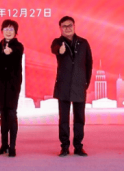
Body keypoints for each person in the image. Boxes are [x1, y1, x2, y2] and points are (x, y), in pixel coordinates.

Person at [51, 16, 92, 157]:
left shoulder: (83, 43)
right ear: (60, 28)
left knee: (79, 118)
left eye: (70, 25)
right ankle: (64, 147)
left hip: (79, 85)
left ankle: (78, 146)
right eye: (64, 26)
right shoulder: (57, 42)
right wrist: (60, 50)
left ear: (74, 26)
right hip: (63, 85)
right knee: (64, 119)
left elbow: (89, 64)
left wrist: (85, 82)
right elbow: (54, 49)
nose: (67, 28)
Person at [0, 20, 24, 157]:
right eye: (6, 29)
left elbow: (17, 53)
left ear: (16, 32)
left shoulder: (18, 46)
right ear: (2, 31)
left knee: (11, 114)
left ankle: (12, 146)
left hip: (13, 86)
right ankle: (4, 145)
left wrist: (11, 52)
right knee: (2, 115)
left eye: (11, 29)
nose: (8, 31)